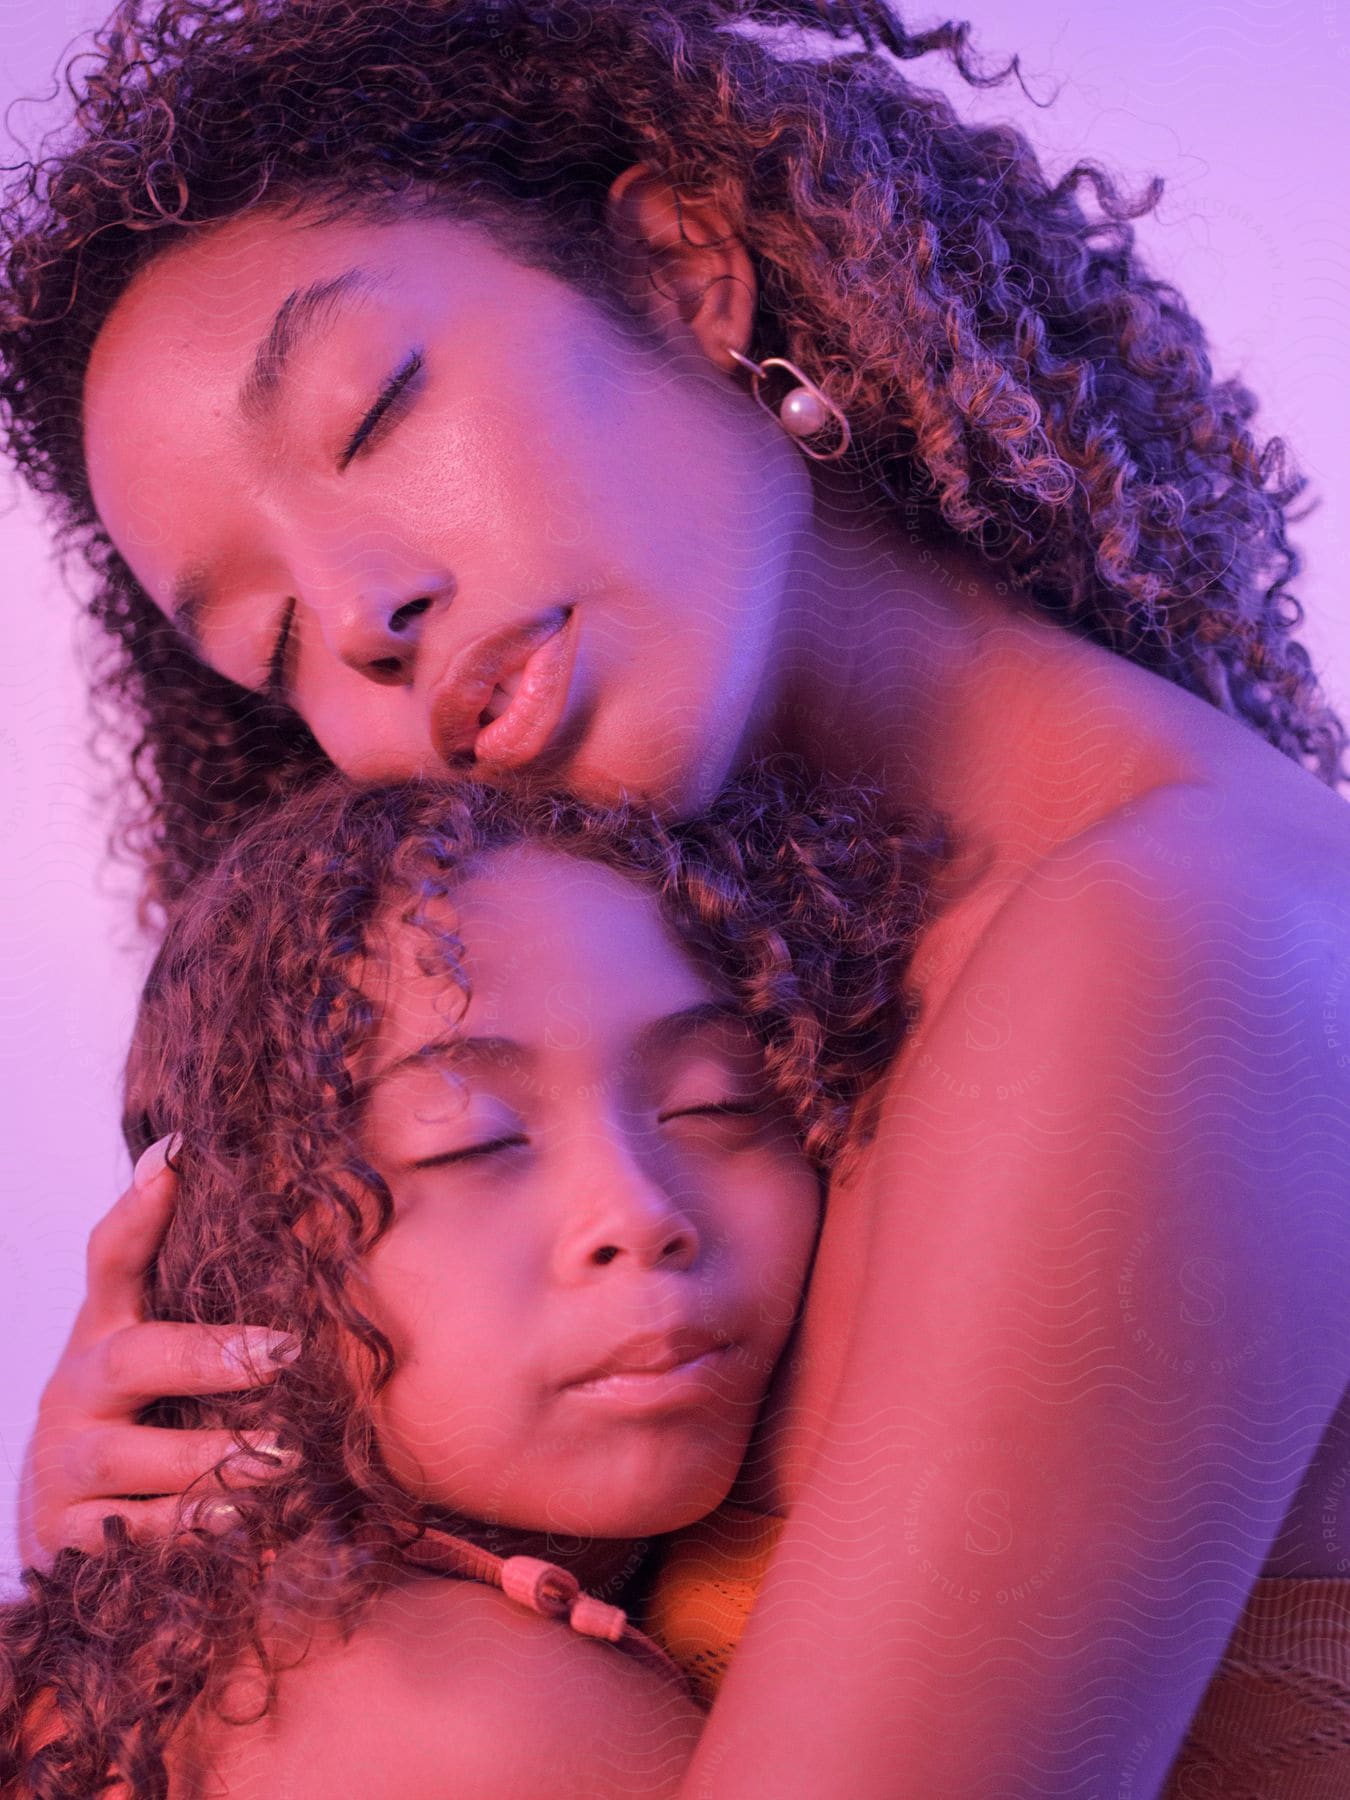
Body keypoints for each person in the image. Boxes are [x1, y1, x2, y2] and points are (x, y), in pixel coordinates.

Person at [4, 0, 1350, 1792]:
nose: (367, 619)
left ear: (684, 274)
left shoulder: (1175, 944)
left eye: (377, 412)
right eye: (269, 640)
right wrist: (219, 1525)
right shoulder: (792, 1020)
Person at [1, 757, 936, 1798]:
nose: (638, 1216)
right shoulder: (488, 1719)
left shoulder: (162, 1646)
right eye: (474, 1146)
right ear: (242, 1250)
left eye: (711, 1106)